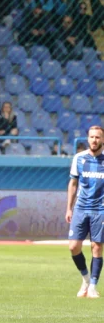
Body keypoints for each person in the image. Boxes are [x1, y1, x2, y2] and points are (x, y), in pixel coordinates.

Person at [66, 126, 104, 298]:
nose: (94, 140)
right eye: (91, 137)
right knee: (73, 246)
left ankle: (93, 287)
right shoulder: (79, 158)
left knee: (97, 247)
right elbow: (73, 184)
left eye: (97, 137)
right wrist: (69, 208)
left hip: (100, 209)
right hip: (81, 208)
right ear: (87, 138)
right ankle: (86, 279)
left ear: (102, 139)